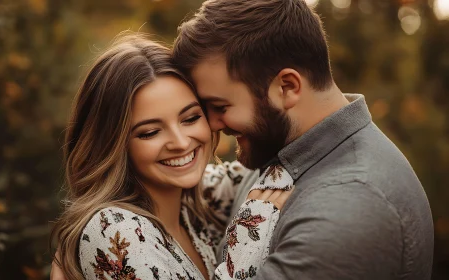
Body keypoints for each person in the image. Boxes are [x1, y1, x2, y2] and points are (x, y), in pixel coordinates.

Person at [171, 0, 434, 279]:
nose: (211, 124)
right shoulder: (283, 151)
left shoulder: (348, 208)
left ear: (287, 87)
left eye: (221, 107)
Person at [50, 34, 294, 280]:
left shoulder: (193, 204)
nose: (180, 143)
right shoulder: (115, 228)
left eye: (190, 118)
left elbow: (276, 164)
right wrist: (251, 233)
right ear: (114, 144)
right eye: (150, 132)